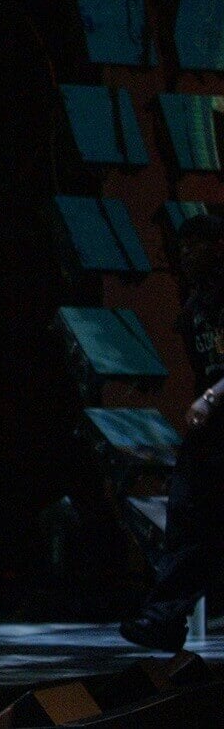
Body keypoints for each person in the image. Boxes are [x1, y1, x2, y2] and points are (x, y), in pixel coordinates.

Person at [122, 213, 224, 652]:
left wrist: (213, 397)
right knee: (186, 518)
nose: (186, 256)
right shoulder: (199, 301)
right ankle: (164, 619)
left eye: (195, 246)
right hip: (212, 435)